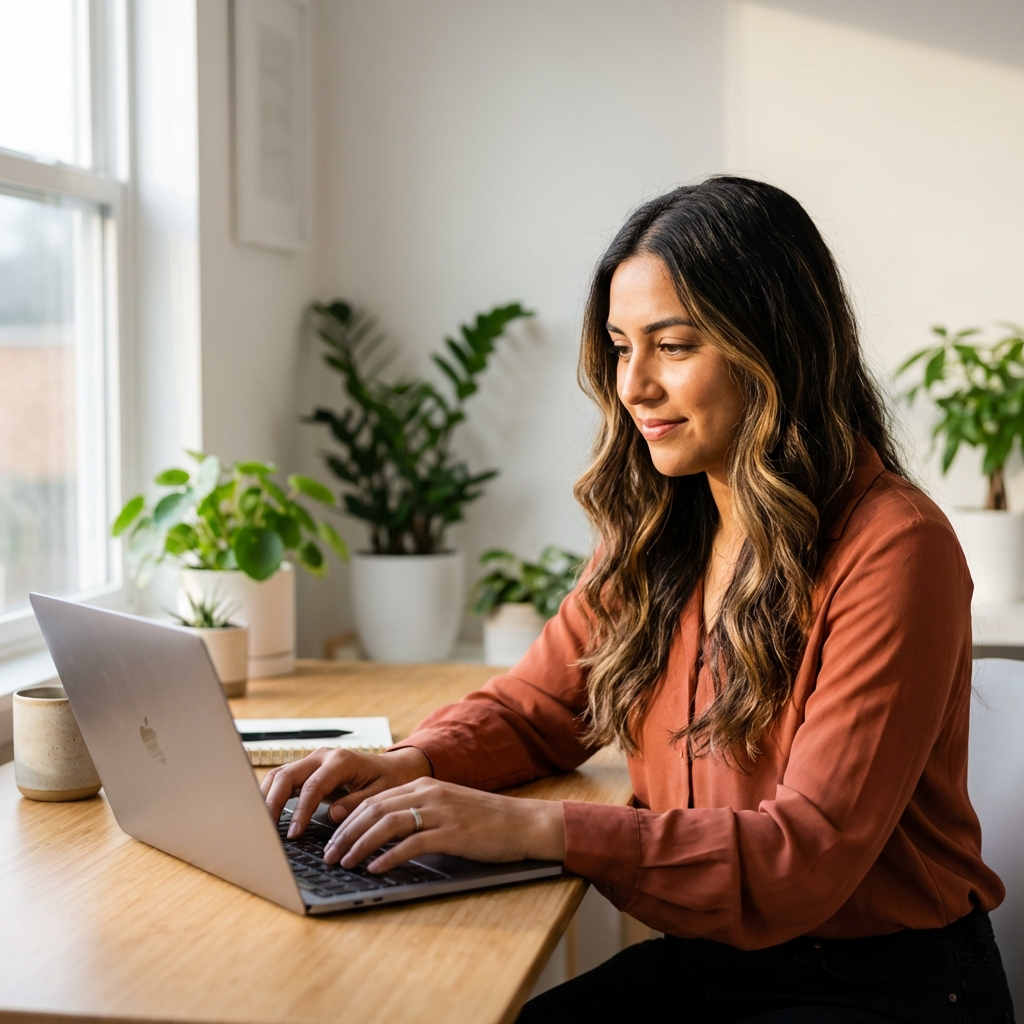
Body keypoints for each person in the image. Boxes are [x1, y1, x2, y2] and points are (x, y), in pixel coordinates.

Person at [262, 177, 1015, 1024]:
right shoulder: (667, 526)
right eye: (622, 347)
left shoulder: (895, 547)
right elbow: (539, 708)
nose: (634, 386)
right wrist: (415, 762)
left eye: (675, 345)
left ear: (777, 347)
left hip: (885, 989)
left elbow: (802, 857)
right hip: (721, 967)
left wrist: (534, 830)